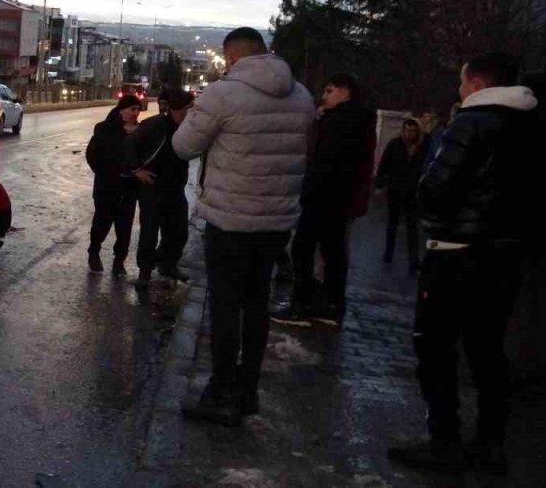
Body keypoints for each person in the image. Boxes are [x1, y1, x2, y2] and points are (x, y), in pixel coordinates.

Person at [387, 53, 544, 475]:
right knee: (488, 351)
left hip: (456, 254)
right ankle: (491, 445)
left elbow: (436, 189)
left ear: (475, 83)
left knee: (435, 346)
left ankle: (444, 440)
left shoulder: (471, 123)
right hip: (505, 256)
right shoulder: (532, 125)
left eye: (461, 82)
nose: (458, 90)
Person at [172, 27, 314, 426]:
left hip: (230, 219)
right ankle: (247, 391)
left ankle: (221, 391)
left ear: (231, 57)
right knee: (257, 306)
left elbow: (184, 146)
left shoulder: (223, 94)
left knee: (224, 307)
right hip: (277, 221)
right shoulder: (301, 95)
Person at [272, 73, 375, 328]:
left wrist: (308, 192)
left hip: (323, 197)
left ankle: (304, 304)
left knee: (304, 249)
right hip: (338, 199)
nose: (324, 97)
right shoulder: (357, 119)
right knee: (333, 251)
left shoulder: (341, 121)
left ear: (345, 92)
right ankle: (330, 305)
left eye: (329, 91)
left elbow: (324, 162)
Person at [504, 73, 546, 395]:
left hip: (526, 225)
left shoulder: (528, 122)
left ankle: (519, 364)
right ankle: (537, 366)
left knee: (521, 297)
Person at [126, 88, 194, 285]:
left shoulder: (188, 128)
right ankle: (144, 272)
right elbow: (130, 143)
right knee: (149, 230)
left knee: (178, 230)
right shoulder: (156, 124)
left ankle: (168, 264)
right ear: (179, 108)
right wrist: (136, 169)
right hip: (152, 185)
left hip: (175, 186)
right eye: (190, 107)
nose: (193, 110)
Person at [85, 94, 144, 276]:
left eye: (138, 109)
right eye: (132, 109)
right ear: (122, 110)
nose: (135, 113)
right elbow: (92, 155)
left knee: (124, 226)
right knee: (102, 222)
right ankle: (94, 252)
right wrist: (106, 174)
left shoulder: (140, 132)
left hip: (129, 187)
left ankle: (119, 262)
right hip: (107, 186)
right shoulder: (104, 129)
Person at [376, 118, 429, 274]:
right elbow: (384, 164)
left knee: (412, 227)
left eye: (412, 131)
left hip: (413, 192)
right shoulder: (395, 145)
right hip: (395, 189)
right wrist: (380, 184)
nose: (409, 134)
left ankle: (413, 259)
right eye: (407, 130)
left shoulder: (422, 147)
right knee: (392, 223)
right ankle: (388, 253)